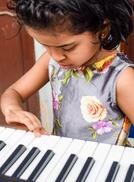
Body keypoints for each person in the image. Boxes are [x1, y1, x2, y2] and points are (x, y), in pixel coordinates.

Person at [1, 0, 134, 145]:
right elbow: (14, 92)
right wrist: (12, 109)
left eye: (68, 47)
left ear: (103, 29)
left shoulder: (122, 78)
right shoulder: (50, 61)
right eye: (45, 45)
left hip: (105, 164)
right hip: (65, 157)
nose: (57, 56)